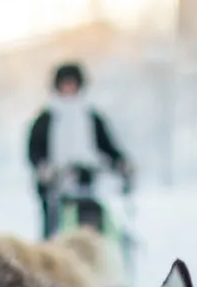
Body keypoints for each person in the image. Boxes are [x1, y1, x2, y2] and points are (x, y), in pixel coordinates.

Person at [26, 61, 133, 238]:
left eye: (72, 83)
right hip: (56, 185)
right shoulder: (46, 117)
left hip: (87, 182)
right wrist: (43, 168)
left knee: (91, 229)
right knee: (55, 233)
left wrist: (120, 163)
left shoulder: (90, 116)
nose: (69, 87)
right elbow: (34, 150)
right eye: (65, 83)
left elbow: (107, 146)